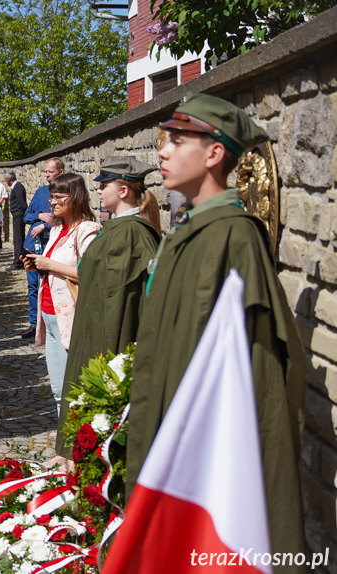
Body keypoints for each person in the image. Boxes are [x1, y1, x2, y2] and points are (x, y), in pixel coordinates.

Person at [128, 92, 305, 563]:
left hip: (204, 462)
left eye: (179, 140)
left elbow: (261, 369)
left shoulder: (234, 235)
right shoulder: (186, 231)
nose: (163, 151)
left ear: (214, 153)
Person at [54, 156, 161, 458]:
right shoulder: (118, 228)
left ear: (124, 190)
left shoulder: (130, 233)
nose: (98, 191)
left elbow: (118, 300)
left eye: (104, 185)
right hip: (93, 324)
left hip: (107, 334)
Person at [22, 173, 100, 417]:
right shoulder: (57, 228)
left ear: (74, 197)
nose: (52, 203)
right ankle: (63, 447)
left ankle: (74, 448)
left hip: (70, 316)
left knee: (73, 387)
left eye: (58, 197)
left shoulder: (87, 230)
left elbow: (88, 273)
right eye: (51, 197)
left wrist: (48, 264)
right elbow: (53, 265)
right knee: (57, 388)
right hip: (49, 313)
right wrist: (37, 264)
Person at [21, 158, 64, 339]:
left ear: (60, 172)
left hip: (52, 247)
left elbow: (66, 219)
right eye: (46, 172)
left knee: (52, 285)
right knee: (32, 286)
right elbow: (26, 216)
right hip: (34, 247)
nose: (47, 175)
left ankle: (53, 322)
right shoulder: (40, 192)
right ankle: (34, 323)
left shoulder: (65, 193)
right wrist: (39, 216)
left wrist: (45, 226)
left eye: (51, 172)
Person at [6, 172, 27, 271]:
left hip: (19, 215)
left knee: (18, 238)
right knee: (17, 238)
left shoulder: (17, 187)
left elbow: (22, 202)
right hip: (17, 215)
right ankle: (19, 259)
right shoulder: (16, 187)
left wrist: (23, 213)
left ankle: (18, 261)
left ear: (8, 180)